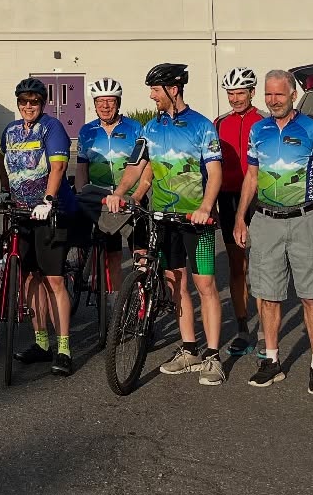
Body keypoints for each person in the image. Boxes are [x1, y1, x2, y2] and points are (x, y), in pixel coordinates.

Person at [105, 63, 225, 386]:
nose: (151, 96)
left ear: (173, 89)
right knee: (175, 284)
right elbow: (135, 166)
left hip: (195, 220)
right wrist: (119, 193)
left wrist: (205, 207)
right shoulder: (150, 128)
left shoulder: (202, 126)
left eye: (155, 90)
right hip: (164, 219)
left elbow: (215, 173)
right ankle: (189, 349)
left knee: (205, 286)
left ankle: (213, 356)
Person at [233, 69, 313, 395]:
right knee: (268, 295)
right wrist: (240, 218)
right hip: (266, 220)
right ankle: (272, 361)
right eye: (268, 94)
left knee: (312, 296)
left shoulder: (312, 129)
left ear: (293, 94)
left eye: (279, 94)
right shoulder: (258, 130)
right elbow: (252, 176)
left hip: (306, 219)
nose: (273, 100)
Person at [0, 77, 78, 376]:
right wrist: (5, 189)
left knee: (54, 280)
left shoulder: (51, 127)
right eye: (23, 102)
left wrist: (48, 199)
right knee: (31, 278)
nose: (28, 106)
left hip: (50, 213)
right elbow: (2, 159)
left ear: (42, 104)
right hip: (22, 213)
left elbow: (58, 166)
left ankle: (64, 348)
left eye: (34, 102)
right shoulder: (11, 130)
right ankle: (41, 342)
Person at [75, 78, 141, 297]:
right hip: (102, 200)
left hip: (131, 198)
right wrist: (81, 193)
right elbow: (82, 167)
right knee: (112, 255)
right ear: (94, 104)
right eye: (100, 101)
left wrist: (138, 195)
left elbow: (145, 164)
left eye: (110, 101)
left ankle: (141, 299)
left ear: (118, 103)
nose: (105, 106)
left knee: (140, 254)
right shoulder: (87, 131)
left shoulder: (135, 128)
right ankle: (115, 303)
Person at [216, 67, 261, 356]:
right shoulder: (219, 123)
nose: (235, 98)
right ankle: (243, 328)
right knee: (237, 264)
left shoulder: (264, 122)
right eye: (231, 93)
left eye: (240, 93)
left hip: (260, 197)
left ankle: (267, 329)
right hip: (229, 197)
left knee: (264, 265)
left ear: (252, 92)